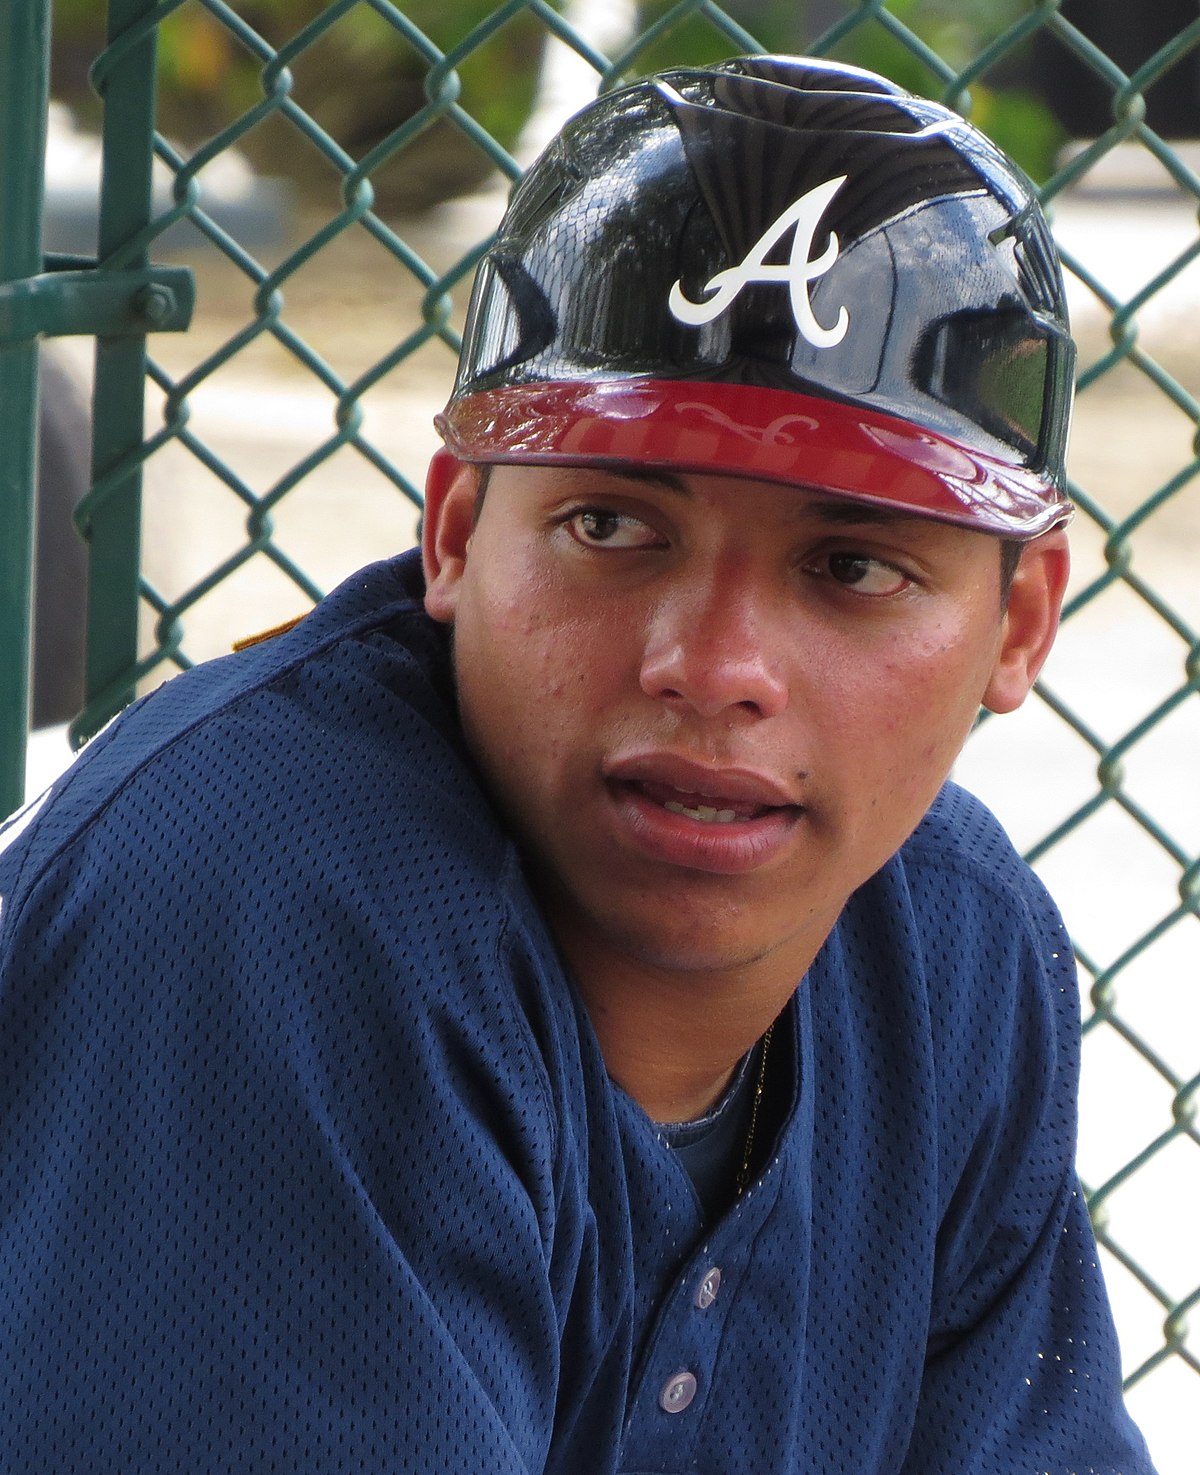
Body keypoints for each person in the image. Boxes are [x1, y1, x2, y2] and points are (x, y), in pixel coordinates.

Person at [0, 54, 1156, 1474]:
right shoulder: (264, 899)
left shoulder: (953, 948)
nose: (714, 664)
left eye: (852, 565)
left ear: (1018, 624)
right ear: (456, 532)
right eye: (614, 525)